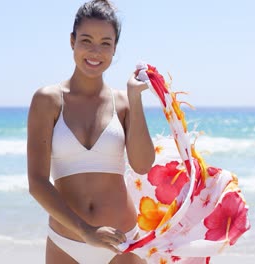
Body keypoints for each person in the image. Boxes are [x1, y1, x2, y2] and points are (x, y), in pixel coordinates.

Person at [27, 0, 155, 263]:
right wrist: (86, 232)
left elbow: (143, 165)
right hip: (67, 242)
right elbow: (37, 184)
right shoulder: (48, 100)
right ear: (72, 41)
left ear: (114, 49)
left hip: (123, 242)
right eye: (86, 40)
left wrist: (135, 97)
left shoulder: (123, 103)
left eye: (105, 43)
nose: (95, 51)